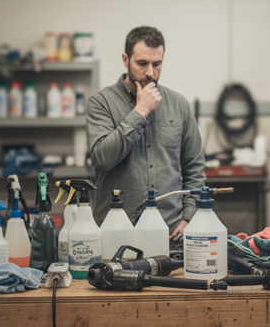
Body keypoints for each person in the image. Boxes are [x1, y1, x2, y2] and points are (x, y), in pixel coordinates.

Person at [86, 26, 206, 238]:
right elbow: (102, 158)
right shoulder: (101, 102)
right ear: (126, 60)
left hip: (171, 231)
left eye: (156, 64)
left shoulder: (179, 104)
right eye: (142, 63)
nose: (150, 72)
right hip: (116, 230)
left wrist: (189, 216)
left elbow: (194, 167)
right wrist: (140, 111)